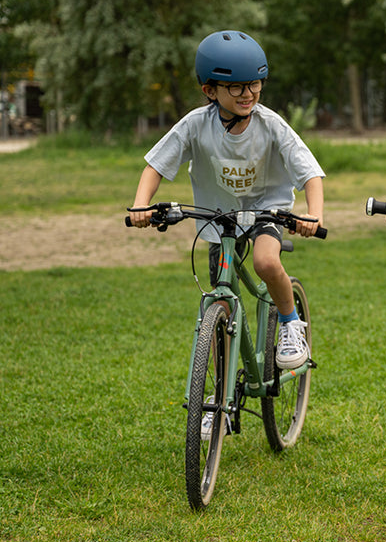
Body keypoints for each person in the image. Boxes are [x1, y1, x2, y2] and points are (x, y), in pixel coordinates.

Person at [129, 29, 325, 383]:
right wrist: (141, 205)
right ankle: (216, 396)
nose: (247, 94)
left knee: (266, 261)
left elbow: (310, 173)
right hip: (218, 218)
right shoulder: (195, 125)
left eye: (254, 84)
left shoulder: (271, 125)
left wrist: (313, 215)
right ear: (210, 90)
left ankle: (290, 322)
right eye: (236, 87)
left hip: (267, 209)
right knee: (219, 304)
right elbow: (155, 166)